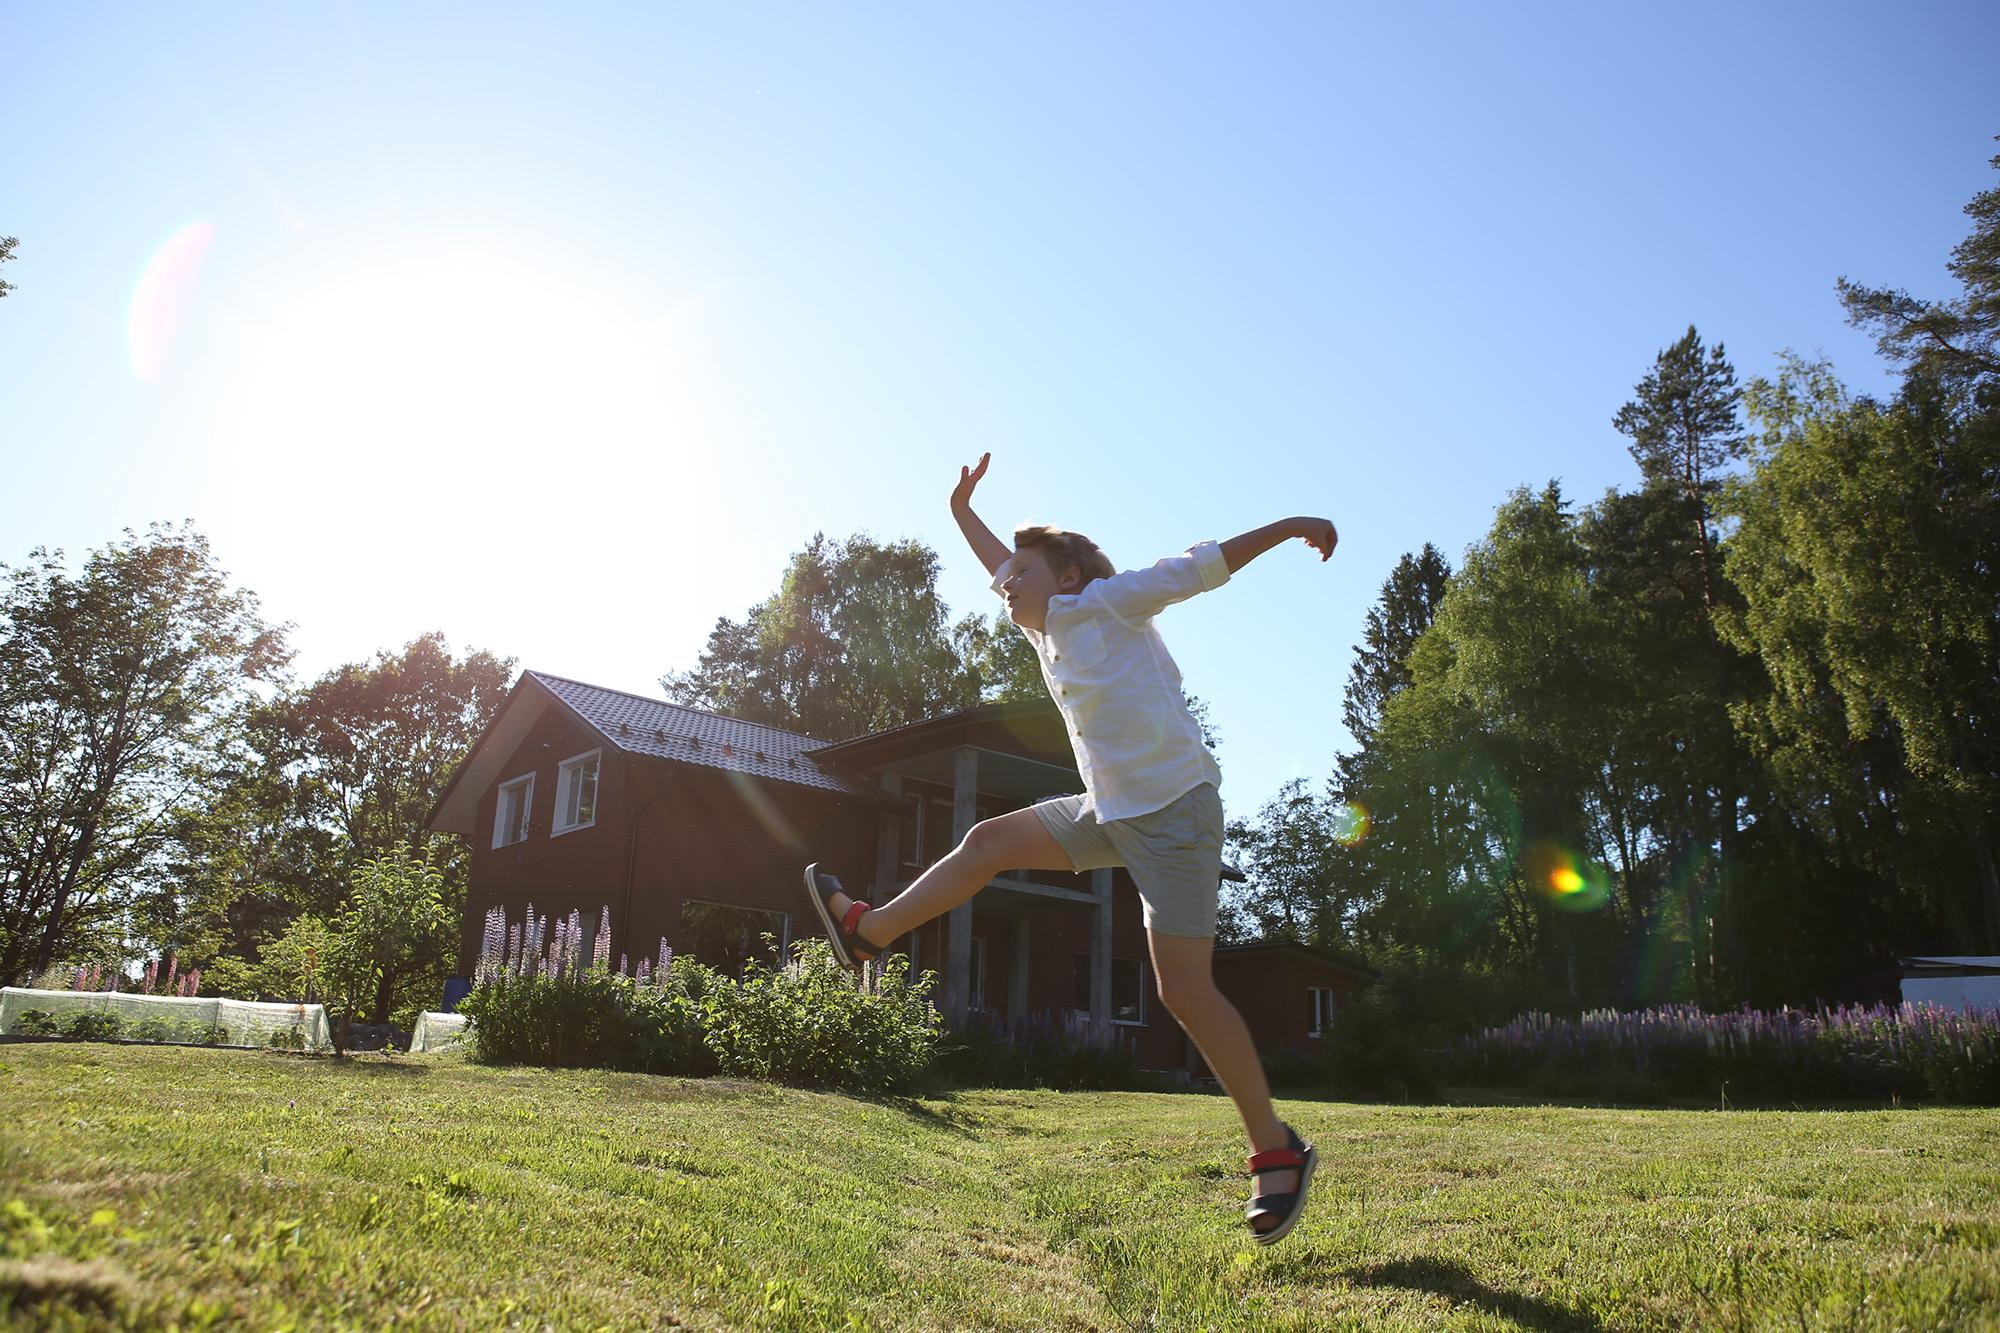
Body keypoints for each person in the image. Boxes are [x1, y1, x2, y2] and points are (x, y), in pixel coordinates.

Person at [805, 452, 1338, 1245]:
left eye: (1020, 572)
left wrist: (1292, 525)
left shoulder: (1111, 603)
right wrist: (960, 509)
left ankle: (1276, 1148)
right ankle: (868, 932)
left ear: (1068, 574)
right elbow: (1001, 564)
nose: (1003, 585)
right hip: (1109, 810)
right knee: (987, 841)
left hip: (1177, 812)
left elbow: (1203, 565)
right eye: (1005, 576)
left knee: (1184, 991)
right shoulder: (1047, 628)